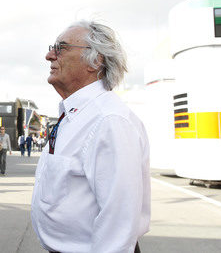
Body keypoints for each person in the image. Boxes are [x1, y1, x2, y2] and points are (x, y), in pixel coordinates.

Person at [31, 21, 150, 253]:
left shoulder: (109, 121)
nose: (49, 55)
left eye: (61, 48)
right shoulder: (77, 116)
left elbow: (119, 224)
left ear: (96, 61)